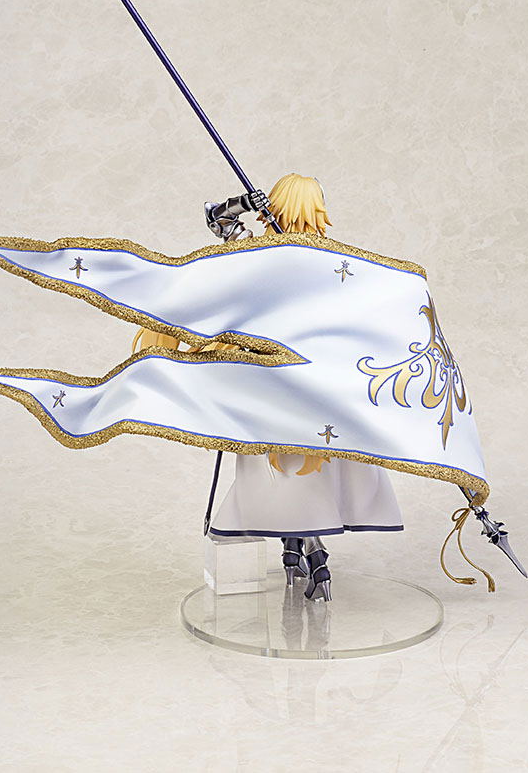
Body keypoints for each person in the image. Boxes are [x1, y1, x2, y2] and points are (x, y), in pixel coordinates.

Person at [133, 173, 404, 601]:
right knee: (298, 471)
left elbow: (217, 219)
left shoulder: (269, 255)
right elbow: (218, 220)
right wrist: (243, 205)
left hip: (280, 387)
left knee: (284, 474)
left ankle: (311, 552)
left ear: (276, 206)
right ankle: (300, 550)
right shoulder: (329, 263)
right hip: (301, 388)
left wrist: (240, 206)